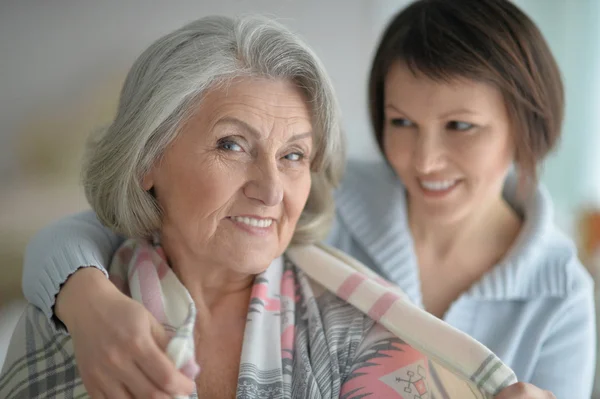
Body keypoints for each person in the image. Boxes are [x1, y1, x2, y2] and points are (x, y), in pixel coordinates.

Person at [18, 0, 592, 397]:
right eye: (401, 122)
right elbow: (92, 227)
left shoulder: (561, 293)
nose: (424, 161)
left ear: (525, 126)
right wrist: (85, 299)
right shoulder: (333, 195)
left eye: (461, 126)